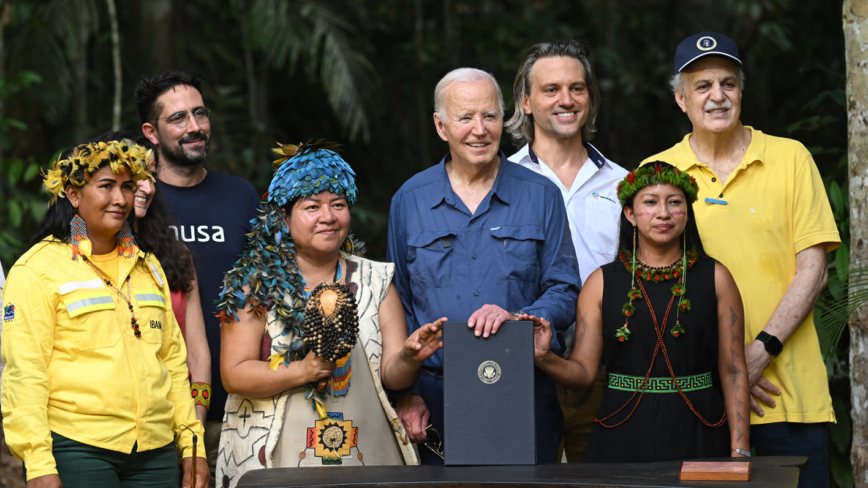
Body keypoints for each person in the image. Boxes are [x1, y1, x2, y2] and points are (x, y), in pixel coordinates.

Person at [642, 32, 840, 486]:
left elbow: (814, 271)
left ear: (741, 91)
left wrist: (758, 353)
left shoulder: (790, 158)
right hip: (699, 399)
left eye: (728, 83)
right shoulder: (658, 173)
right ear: (680, 98)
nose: (717, 96)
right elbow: (649, 286)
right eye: (703, 86)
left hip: (786, 398)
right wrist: (722, 370)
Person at [214, 140, 441, 487]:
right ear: (284, 218)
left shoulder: (376, 280)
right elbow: (234, 373)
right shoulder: (254, 285)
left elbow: (393, 378)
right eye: (311, 207)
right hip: (275, 457)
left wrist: (410, 357)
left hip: (366, 449)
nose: (328, 217)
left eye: (338, 205)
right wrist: (303, 370)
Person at [387, 68, 581, 464]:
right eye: (465, 118)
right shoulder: (410, 200)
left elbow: (564, 289)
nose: (480, 129)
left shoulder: (541, 194)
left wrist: (520, 317)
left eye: (490, 116)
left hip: (524, 387)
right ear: (441, 126)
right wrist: (404, 395)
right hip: (436, 399)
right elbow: (397, 302)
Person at [1, 138, 207, 487]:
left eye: (127, 187)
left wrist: (192, 443)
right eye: (106, 186)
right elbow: (25, 373)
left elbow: (173, 362)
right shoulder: (37, 269)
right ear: (73, 194)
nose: (121, 199)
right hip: (78, 449)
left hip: (156, 454)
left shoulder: (149, 267)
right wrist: (38, 464)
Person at [531, 162, 750, 462]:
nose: (663, 213)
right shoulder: (600, 283)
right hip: (622, 431)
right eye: (650, 202)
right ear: (630, 214)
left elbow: (733, 370)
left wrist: (740, 451)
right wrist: (545, 357)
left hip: (701, 429)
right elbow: (582, 374)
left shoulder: (717, 278)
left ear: (687, 211)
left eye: (675, 202)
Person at [135, 69, 261, 485]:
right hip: (150, 407)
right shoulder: (132, 198)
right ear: (151, 132)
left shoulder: (240, 194)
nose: (195, 127)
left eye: (200, 114)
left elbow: (270, 280)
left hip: (238, 402)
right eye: (179, 118)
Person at [505, 39, 628, 462]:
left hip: (609, 372)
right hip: (520, 366)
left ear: (590, 99)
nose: (566, 100)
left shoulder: (625, 185)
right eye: (551, 89)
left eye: (577, 88)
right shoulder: (501, 183)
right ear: (526, 101)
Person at [124, 133, 212, 426]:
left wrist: (195, 420)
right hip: (109, 425)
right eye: (134, 175)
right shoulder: (75, 258)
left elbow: (197, 354)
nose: (146, 187)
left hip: (178, 418)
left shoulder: (176, 254)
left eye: (150, 175)